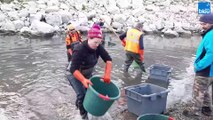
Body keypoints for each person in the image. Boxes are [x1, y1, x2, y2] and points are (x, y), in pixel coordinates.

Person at [67, 24, 112, 119]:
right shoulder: (80, 49)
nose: (97, 45)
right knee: (81, 94)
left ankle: (79, 105)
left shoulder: (98, 47)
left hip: (87, 73)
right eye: (95, 42)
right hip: (74, 74)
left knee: (89, 93)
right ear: (89, 38)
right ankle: (83, 116)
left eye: (99, 43)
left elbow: (108, 60)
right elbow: (73, 69)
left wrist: (107, 74)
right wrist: (83, 80)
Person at [183, 13, 213, 118]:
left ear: (211, 23)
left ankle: (194, 113)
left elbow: (211, 54)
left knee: (198, 92)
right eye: (201, 23)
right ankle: (207, 109)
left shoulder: (211, 35)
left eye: (204, 23)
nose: (202, 26)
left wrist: (199, 66)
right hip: (210, 71)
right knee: (204, 91)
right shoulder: (209, 33)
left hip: (205, 70)